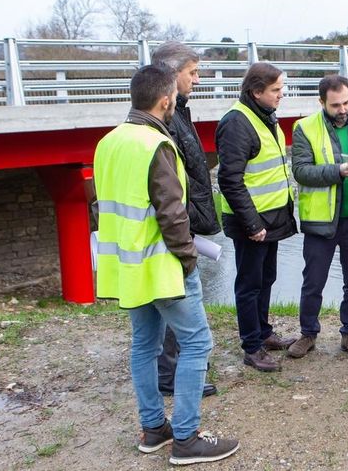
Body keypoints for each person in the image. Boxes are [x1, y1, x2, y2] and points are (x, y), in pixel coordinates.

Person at [94, 64, 239, 465]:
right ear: (165, 100)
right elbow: (172, 215)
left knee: (144, 345)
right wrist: (189, 259)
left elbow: (105, 207)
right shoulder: (155, 144)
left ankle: (154, 428)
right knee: (197, 343)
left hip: (128, 266)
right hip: (163, 267)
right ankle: (188, 438)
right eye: (175, 98)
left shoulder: (108, 142)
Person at [289, 74, 348, 359]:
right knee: (313, 281)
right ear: (321, 102)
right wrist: (337, 172)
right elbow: (301, 171)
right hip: (321, 221)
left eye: (346, 102)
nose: (342, 110)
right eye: (335, 105)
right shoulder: (304, 127)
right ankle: (308, 334)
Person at [216, 62, 298, 373]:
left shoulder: (265, 116)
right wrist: (252, 223)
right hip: (253, 224)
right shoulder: (238, 123)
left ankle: (264, 333)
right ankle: (252, 346)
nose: (282, 94)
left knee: (266, 279)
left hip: (271, 218)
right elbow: (230, 180)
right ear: (256, 92)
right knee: (249, 284)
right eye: (276, 90)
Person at [151, 41, 220, 399]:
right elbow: (171, 185)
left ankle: (168, 371)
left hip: (185, 223)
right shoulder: (166, 121)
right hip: (179, 228)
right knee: (179, 304)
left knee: (171, 305)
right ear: (170, 74)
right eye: (192, 72)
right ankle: (172, 376)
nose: (198, 78)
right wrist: (186, 234)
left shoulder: (178, 113)